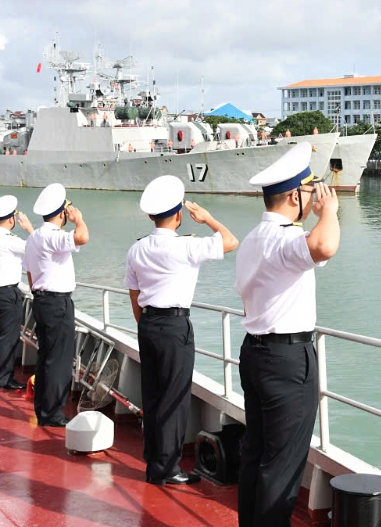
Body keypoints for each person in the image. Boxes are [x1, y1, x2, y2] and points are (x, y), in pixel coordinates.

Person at [235, 142, 340, 527]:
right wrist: (329, 211)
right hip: (287, 361)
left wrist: (313, 217)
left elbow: (308, 248)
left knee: (256, 455)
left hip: (256, 354)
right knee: (281, 467)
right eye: (310, 190)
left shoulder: (253, 240)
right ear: (295, 195)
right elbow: (325, 244)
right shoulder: (283, 239)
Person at [125, 176, 238, 485]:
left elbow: (134, 295)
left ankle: (154, 461)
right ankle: (167, 468)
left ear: (151, 216)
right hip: (175, 327)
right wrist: (208, 219)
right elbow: (231, 241)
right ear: (178, 215)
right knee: (174, 399)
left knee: (153, 396)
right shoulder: (187, 245)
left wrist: (146, 325)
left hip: (147, 324)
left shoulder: (136, 249)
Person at [25, 183, 90, 427]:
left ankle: (43, 408)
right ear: (62, 212)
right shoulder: (52, 236)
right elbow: (82, 237)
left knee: (45, 357)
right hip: (56, 303)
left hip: (40, 300)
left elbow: (30, 274)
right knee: (59, 360)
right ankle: (52, 413)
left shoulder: (33, 237)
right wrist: (79, 220)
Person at [0, 195, 34, 390]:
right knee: (8, 337)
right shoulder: (9, 240)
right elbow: (36, 247)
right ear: (11, 220)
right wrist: (29, 229)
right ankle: (3, 379)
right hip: (6, 294)